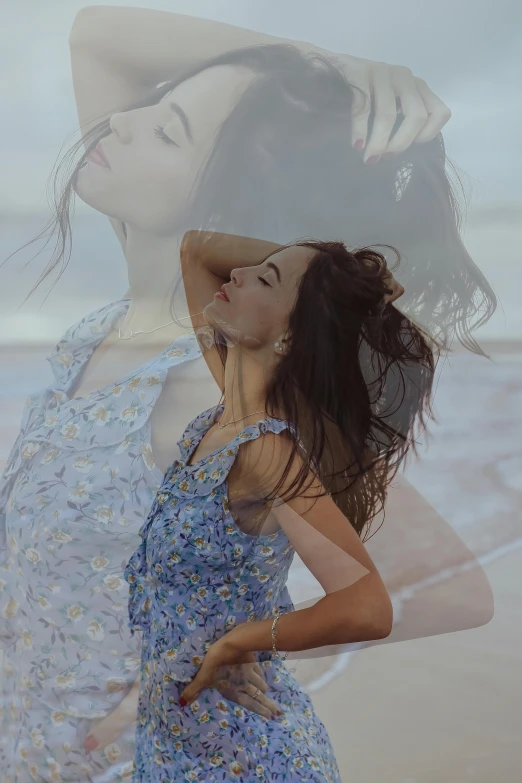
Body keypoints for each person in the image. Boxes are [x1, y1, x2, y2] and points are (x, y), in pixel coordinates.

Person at [0, 6, 495, 782]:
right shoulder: (119, 323)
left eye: (166, 133)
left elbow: (446, 587)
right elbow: (97, 31)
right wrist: (324, 65)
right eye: (146, 109)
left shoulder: (214, 380)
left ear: (226, 196)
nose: (117, 124)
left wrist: (242, 640)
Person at [122, 236, 431, 782]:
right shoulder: (222, 420)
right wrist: (352, 285)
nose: (237, 273)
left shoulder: (263, 450)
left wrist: (243, 639)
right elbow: (196, 250)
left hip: (249, 758)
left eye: (263, 279)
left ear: (290, 334)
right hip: (178, 744)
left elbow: (366, 607)